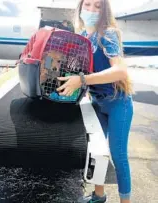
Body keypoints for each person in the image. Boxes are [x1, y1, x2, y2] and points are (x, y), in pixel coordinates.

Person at [56, 0, 133, 203]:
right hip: (97, 102)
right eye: (87, 5)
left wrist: (82, 80)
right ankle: (99, 196)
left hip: (118, 103)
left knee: (118, 155)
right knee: (96, 153)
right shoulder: (81, 38)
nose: (91, 10)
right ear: (80, 9)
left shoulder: (108, 34)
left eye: (98, 6)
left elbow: (120, 71)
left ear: (104, 11)